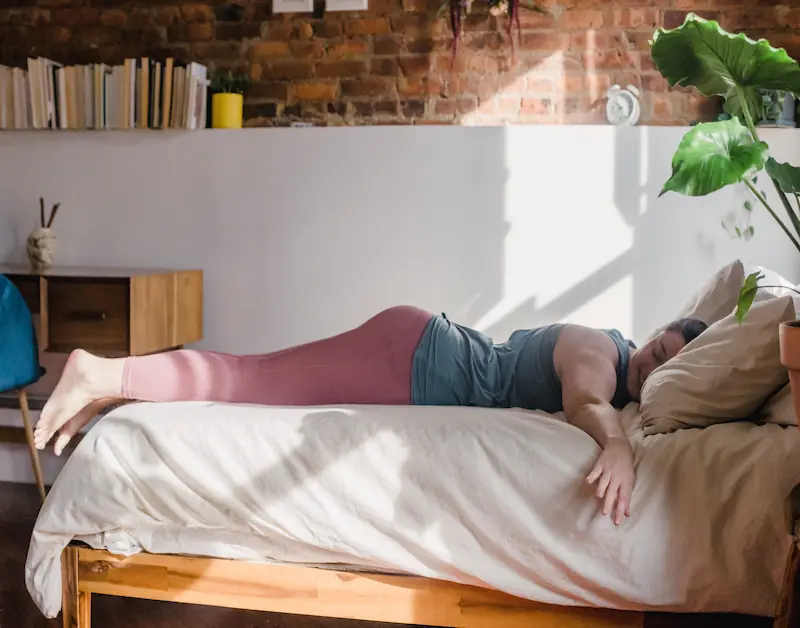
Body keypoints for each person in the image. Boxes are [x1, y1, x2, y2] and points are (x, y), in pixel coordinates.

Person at [33, 305, 707, 525]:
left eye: (664, 365)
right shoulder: (601, 352)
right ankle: (101, 372)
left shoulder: (625, 376)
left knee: (252, 377)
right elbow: (584, 399)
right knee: (248, 380)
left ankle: (105, 383)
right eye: (656, 349)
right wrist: (615, 448)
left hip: (420, 351)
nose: (649, 365)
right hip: (418, 360)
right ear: (648, 337)